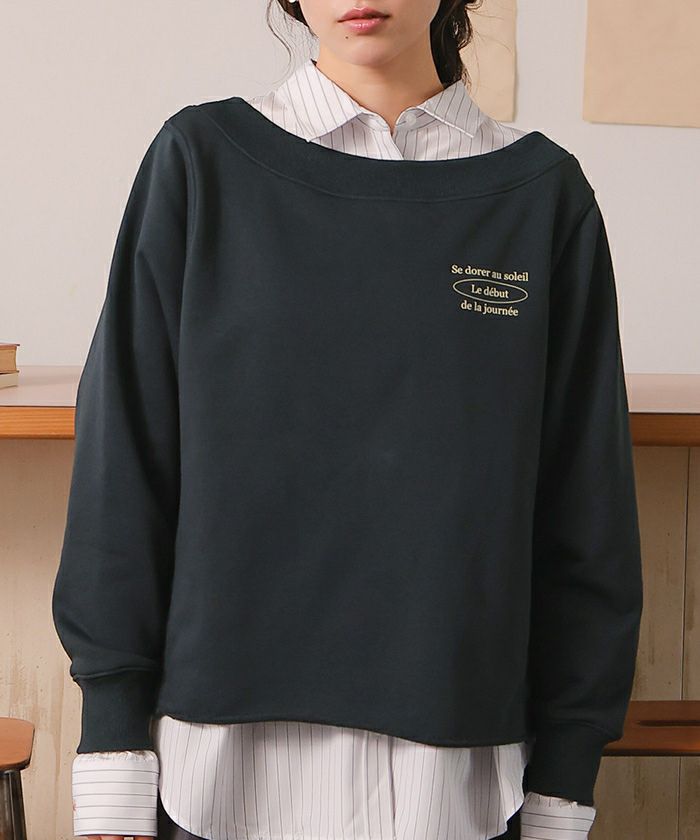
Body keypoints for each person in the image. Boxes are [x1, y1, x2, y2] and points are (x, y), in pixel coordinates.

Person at [52, 2, 644, 840]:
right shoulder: (201, 161)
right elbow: (124, 459)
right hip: (217, 768)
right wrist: (112, 745)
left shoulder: (542, 195)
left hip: (462, 779)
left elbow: (587, 508)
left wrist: (565, 781)